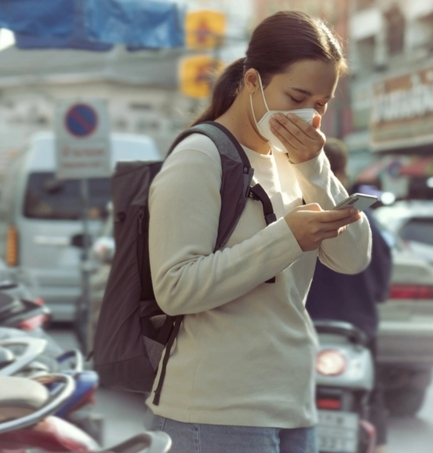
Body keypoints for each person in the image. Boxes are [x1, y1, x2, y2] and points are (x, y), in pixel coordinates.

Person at [144, 11, 371, 453]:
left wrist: (313, 166)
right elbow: (174, 288)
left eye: (321, 103)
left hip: (292, 405)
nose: (308, 112)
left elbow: (353, 258)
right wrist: (287, 238)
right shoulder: (201, 156)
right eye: (297, 95)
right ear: (252, 82)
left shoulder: (295, 162)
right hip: (214, 412)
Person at [305, 139, 393, 452]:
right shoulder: (365, 223)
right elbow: (381, 287)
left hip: (302, 332)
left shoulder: (294, 218)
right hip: (356, 331)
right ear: (343, 171)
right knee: (371, 396)